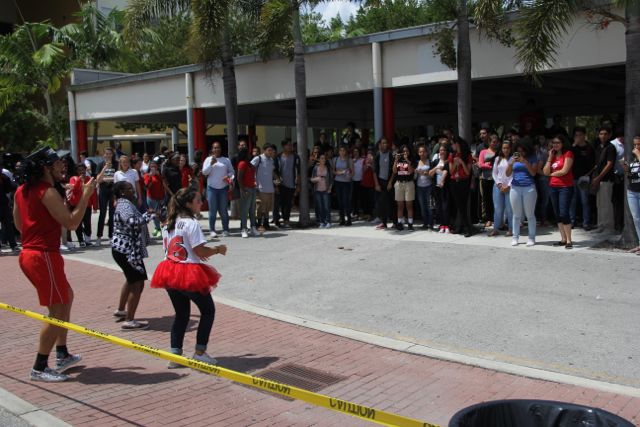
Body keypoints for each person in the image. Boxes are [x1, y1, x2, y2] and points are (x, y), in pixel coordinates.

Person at [13, 147, 99, 382]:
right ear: (44, 168)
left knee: (66, 297)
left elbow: (20, 225)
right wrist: (86, 195)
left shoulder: (22, 190)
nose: (62, 166)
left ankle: (62, 353)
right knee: (56, 311)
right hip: (43, 256)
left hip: (33, 254)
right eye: (56, 163)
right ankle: (40, 367)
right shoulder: (46, 191)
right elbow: (71, 223)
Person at [150, 187, 227, 367]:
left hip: (169, 271)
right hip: (187, 273)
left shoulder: (169, 222)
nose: (201, 203)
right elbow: (200, 251)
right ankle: (200, 351)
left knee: (181, 314)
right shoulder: (191, 223)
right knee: (208, 311)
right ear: (188, 204)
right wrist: (217, 249)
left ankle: (175, 355)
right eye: (198, 200)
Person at [111, 181, 154, 330]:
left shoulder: (124, 203)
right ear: (122, 192)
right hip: (128, 251)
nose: (133, 190)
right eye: (129, 188)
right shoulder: (124, 204)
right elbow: (131, 222)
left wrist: (146, 214)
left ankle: (121, 310)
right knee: (138, 283)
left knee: (131, 279)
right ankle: (129, 320)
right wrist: (148, 217)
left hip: (123, 249)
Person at [543, 135, 575, 248]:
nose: (555, 145)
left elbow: (564, 171)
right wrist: (549, 157)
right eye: (553, 143)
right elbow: (545, 171)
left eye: (558, 142)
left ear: (563, 143)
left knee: (563, 212)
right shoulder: (553, 156)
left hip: (565, 187)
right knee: (557, 214)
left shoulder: (568, 154)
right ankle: (563, 239)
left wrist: (551, 174)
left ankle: (569, 240)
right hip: (553, 187)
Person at [506, 139, 538, 247]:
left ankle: (531, 237)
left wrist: (525, 161)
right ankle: (515, 237)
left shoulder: (532, 157)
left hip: (529, 188)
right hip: (515, 187)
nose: (520, 153)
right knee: (516, 215)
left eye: (523, 151)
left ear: (527, 150)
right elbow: (507, 174)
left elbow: (533, 173)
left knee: (530, 214)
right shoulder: (512, 158)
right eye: (518, 151)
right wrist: (510, 164)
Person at [202, 142, 234, 238]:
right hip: (211, 188)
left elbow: (232, 172)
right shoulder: (208, 159)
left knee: (223, 210)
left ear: (221, 149)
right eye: (215, 148)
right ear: (212, 149)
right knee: (212, 210)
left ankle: (225, 229)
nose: (216, 149)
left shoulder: (226, 160)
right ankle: (212, 230)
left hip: (223, 188)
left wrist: (228, 176)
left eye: (218, 147)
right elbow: (204, 172)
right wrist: (211, 164)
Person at [592, 127, 617, 234]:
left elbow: (609, 164)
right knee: (600, 204)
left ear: (610, 135)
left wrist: (599, 177)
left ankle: (608, 227)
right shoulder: (598, 147)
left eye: (605, 134)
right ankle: (601, 225)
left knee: (607, 203)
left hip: (606, 179)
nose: (603, 136)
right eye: (601, 133)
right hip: (598, 179)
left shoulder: (611, 147)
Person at [570, 126, 595, 230]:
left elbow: (594, 163)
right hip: (572, 177)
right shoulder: (572, 148)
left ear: (584, 135)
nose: (578, 137)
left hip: (584, 178)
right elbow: (567, 160)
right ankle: (571, 221)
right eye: (576, 135)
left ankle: (586, 222)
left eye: (580, 135)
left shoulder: (589, 148)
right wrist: (574, 146)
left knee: (585, 200)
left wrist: (588, 175)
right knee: (572, 200)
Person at [448, 137, 474, 237]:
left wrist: (461, 162)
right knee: (458, 206)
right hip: (454, 182)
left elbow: (468, 172)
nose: (452, 146)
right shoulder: (451, 155)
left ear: (457, 144)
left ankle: (467, 228)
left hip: (464, 182)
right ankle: (460, 227)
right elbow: (451, 171)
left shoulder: (467, 155)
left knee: (463, 206)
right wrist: (455, 162)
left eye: (453, 144)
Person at [67, 163, 96, 246]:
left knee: (87, 223)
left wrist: (95, 206)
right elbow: (75, 190)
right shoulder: (73, 178)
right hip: (76, 205)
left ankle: (87, 240)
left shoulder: (88, 178)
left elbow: (92, 193)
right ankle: (81, 240)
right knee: (78, 223)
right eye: (79, 170)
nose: (81, 172)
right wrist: (79, 180)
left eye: (83, 170)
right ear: (76, 171)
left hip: (87, 204)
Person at [489, 141, 513, 237]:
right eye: (504, 148)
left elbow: (514, 174)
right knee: (498, 208)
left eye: (507, 148)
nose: (505, 150)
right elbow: (494, 173)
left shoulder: (513, 159)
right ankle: (496, 229)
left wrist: (509, 185)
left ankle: (511, 229)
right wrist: (499, 184)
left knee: (510, 209)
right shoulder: (497, 159)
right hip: (498, 186)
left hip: (510, 187)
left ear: (510, 149)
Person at [252, 144, 277, 233]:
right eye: (269, 150)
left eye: (271, 150)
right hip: (260, 187)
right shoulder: (258, 159)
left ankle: (266, 223)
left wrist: (277, 179)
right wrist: (254, 182)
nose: (270, 152)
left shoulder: (271, 160)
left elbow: (272, 171)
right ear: (264, 150)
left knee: (268, 207)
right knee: (260, 207)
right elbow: (251, 169)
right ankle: (259, 224)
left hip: (270, 187)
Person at [276, 139, 300, 229]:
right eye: (288, 145)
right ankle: (281, 220)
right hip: (281, 185)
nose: (290, 147)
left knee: (288, 204)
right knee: (282, 204)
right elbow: (275, 170)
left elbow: (298, 171)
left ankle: (287, 221)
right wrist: (277, 184)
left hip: (291, 184)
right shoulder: (278, 157)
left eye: (291, 145)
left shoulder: (295, 157)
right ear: (284, 146)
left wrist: (298, 185)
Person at [392, 144, 416, 231]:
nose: (405, 153)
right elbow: (394, 171)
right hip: (399, 184)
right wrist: (395, 160)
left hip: (409, 183)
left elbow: (410, 171)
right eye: (404, 151)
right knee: (400, 205)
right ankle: (400, 223)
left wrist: (407, 160)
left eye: (407, 151)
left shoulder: (411, 159)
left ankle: (410, 223)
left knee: (409, 205)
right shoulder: (398, 159)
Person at [236, 147, 258, 238]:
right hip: (246, 189)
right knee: (244, 211)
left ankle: (253, 228)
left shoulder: (249, 164)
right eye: (248, 153)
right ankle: (244, 229)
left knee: (252, 210)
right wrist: (242, 190)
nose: (250, 155)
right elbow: (239, 178)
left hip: (252, 188)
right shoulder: (242, 164)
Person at [623, 136, 640, 253]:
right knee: (636, 219)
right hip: (632, 192)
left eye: (639, 144)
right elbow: (633, 176)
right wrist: (627, 170)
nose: (636, 147)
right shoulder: (634, 161)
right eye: (634, 145)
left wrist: (639, 155)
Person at [478, 134, 499, 228]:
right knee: (487, 199)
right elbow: (480, 164)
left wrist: (488, 165)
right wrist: (491, 166)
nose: (495, 144)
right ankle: (489, 219)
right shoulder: (483, 152)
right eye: (493, 142)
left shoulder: (499, 152)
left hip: (496, 179)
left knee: (496, 199)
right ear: (489, 142)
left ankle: (497, 218)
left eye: (496, 142)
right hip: (486, 178)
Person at [96, 148, 116, 245]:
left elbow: (117, 177)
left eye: (110, 154)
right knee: (102, 214)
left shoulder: (116, 164)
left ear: (112, 155)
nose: (108, 155)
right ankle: (99, 237)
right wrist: (105, 168)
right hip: (103, 191)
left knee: (112, 214)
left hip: (112, 191)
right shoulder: (100, 165)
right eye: (106, 154)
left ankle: (111, 236)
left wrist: (108, 178)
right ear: (104, 155)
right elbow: (98, 180)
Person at [373, 138, 394, 229]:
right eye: (383, 143)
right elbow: (374, 171)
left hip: (389, 181)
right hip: (380, 181)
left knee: (391, 202)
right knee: (382, 203)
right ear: (380, 145)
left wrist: (390, 182)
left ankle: (395, 222)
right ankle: (384, 222)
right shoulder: (377, 155)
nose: (384, 144)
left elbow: (394, 171)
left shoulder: (391, 155)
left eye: (386, 143)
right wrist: (377, 184)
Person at [430, 145, 450, 233]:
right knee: (439, 206)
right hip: (436, 187)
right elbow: (430, 174)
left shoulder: (448, 161)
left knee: (446, 206)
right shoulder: (435, 161)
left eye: (444, 150)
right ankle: (442, 224)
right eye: (440, 150)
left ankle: (447, 225)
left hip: (446, 187)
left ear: (446, 152)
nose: (442, 152)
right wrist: (436, 168)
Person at [332, 144, 354, 226]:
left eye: (343, 150)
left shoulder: (349, 160)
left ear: (346, 151)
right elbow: (333, 171)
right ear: (338, 152)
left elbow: (353, 172)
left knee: (346, 201)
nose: (342, 152)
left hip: (346, 183)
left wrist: (349, 175)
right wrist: (340, 172)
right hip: (338, 182)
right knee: (340, 201)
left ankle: (348, 218)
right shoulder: (335, 159)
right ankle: (342, 219)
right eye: (340, 150)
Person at [311, 153, 333, 228]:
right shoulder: (315, 168)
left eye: (324, 158)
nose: (323, 160)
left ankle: (328, 221)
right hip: (317, 190)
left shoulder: (328, 168)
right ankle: (322, 222)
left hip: (326, 190)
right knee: (320, 207)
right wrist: (316, 179)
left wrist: (330, 188)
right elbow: (312, 179)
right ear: (319, 160)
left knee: (326, 206)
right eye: (322, 158)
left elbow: (331, 179)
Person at [143, 161, 164, 237]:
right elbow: (146, 186)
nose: (153, 168)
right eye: (151, 166)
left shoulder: (159, 175)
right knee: (153, 214)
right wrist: (150, 176)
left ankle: (158, 228)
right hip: (151, 197)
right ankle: (157, 228)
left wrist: (159, 176)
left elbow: (164, 183)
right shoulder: (147, 175)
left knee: (158, 214)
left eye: (155, 166)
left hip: (160, 197)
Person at [415, 145, 433, 230]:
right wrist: (415, 172)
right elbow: (414, 176)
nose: (422, 153)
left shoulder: (430, 162)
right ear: (418, 153)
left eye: (424, 151)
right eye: (420, 152)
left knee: (429, 206)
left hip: (428, 186)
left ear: (426, 152)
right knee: (422, 206)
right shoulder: (417, 162)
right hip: (419, 187)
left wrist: (426, 173)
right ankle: (425, 223)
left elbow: (432, 175)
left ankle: (430, 223)